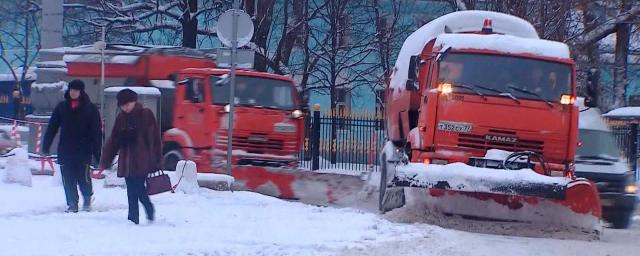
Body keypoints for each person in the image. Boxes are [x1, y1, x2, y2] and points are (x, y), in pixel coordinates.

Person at [100, 89, 161, 224]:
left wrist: (156, 159)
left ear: (134, 101)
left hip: (142, 160)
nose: (126, 107)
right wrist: (106, 159)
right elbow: (114, 140)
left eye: (128, 104)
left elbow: (154, 138)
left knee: (138, 188)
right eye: (123, 105)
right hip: (127, 161)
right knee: (131, 190)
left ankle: (148, 208)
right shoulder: (121, 118)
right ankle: (133, 218)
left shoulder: (145, 114)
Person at [42, 79, 102, 213]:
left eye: (76, 90)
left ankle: (87, 198)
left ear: (81, 91)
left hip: (84, 150)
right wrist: (46, 146)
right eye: (71, 90)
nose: (73, 92)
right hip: (66, 149)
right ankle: (72, 203)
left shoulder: (90, 109)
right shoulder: (62, 107)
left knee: (83, 177)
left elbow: (97, 132)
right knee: (68, 179)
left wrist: (97, 152)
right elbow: (52, 127)